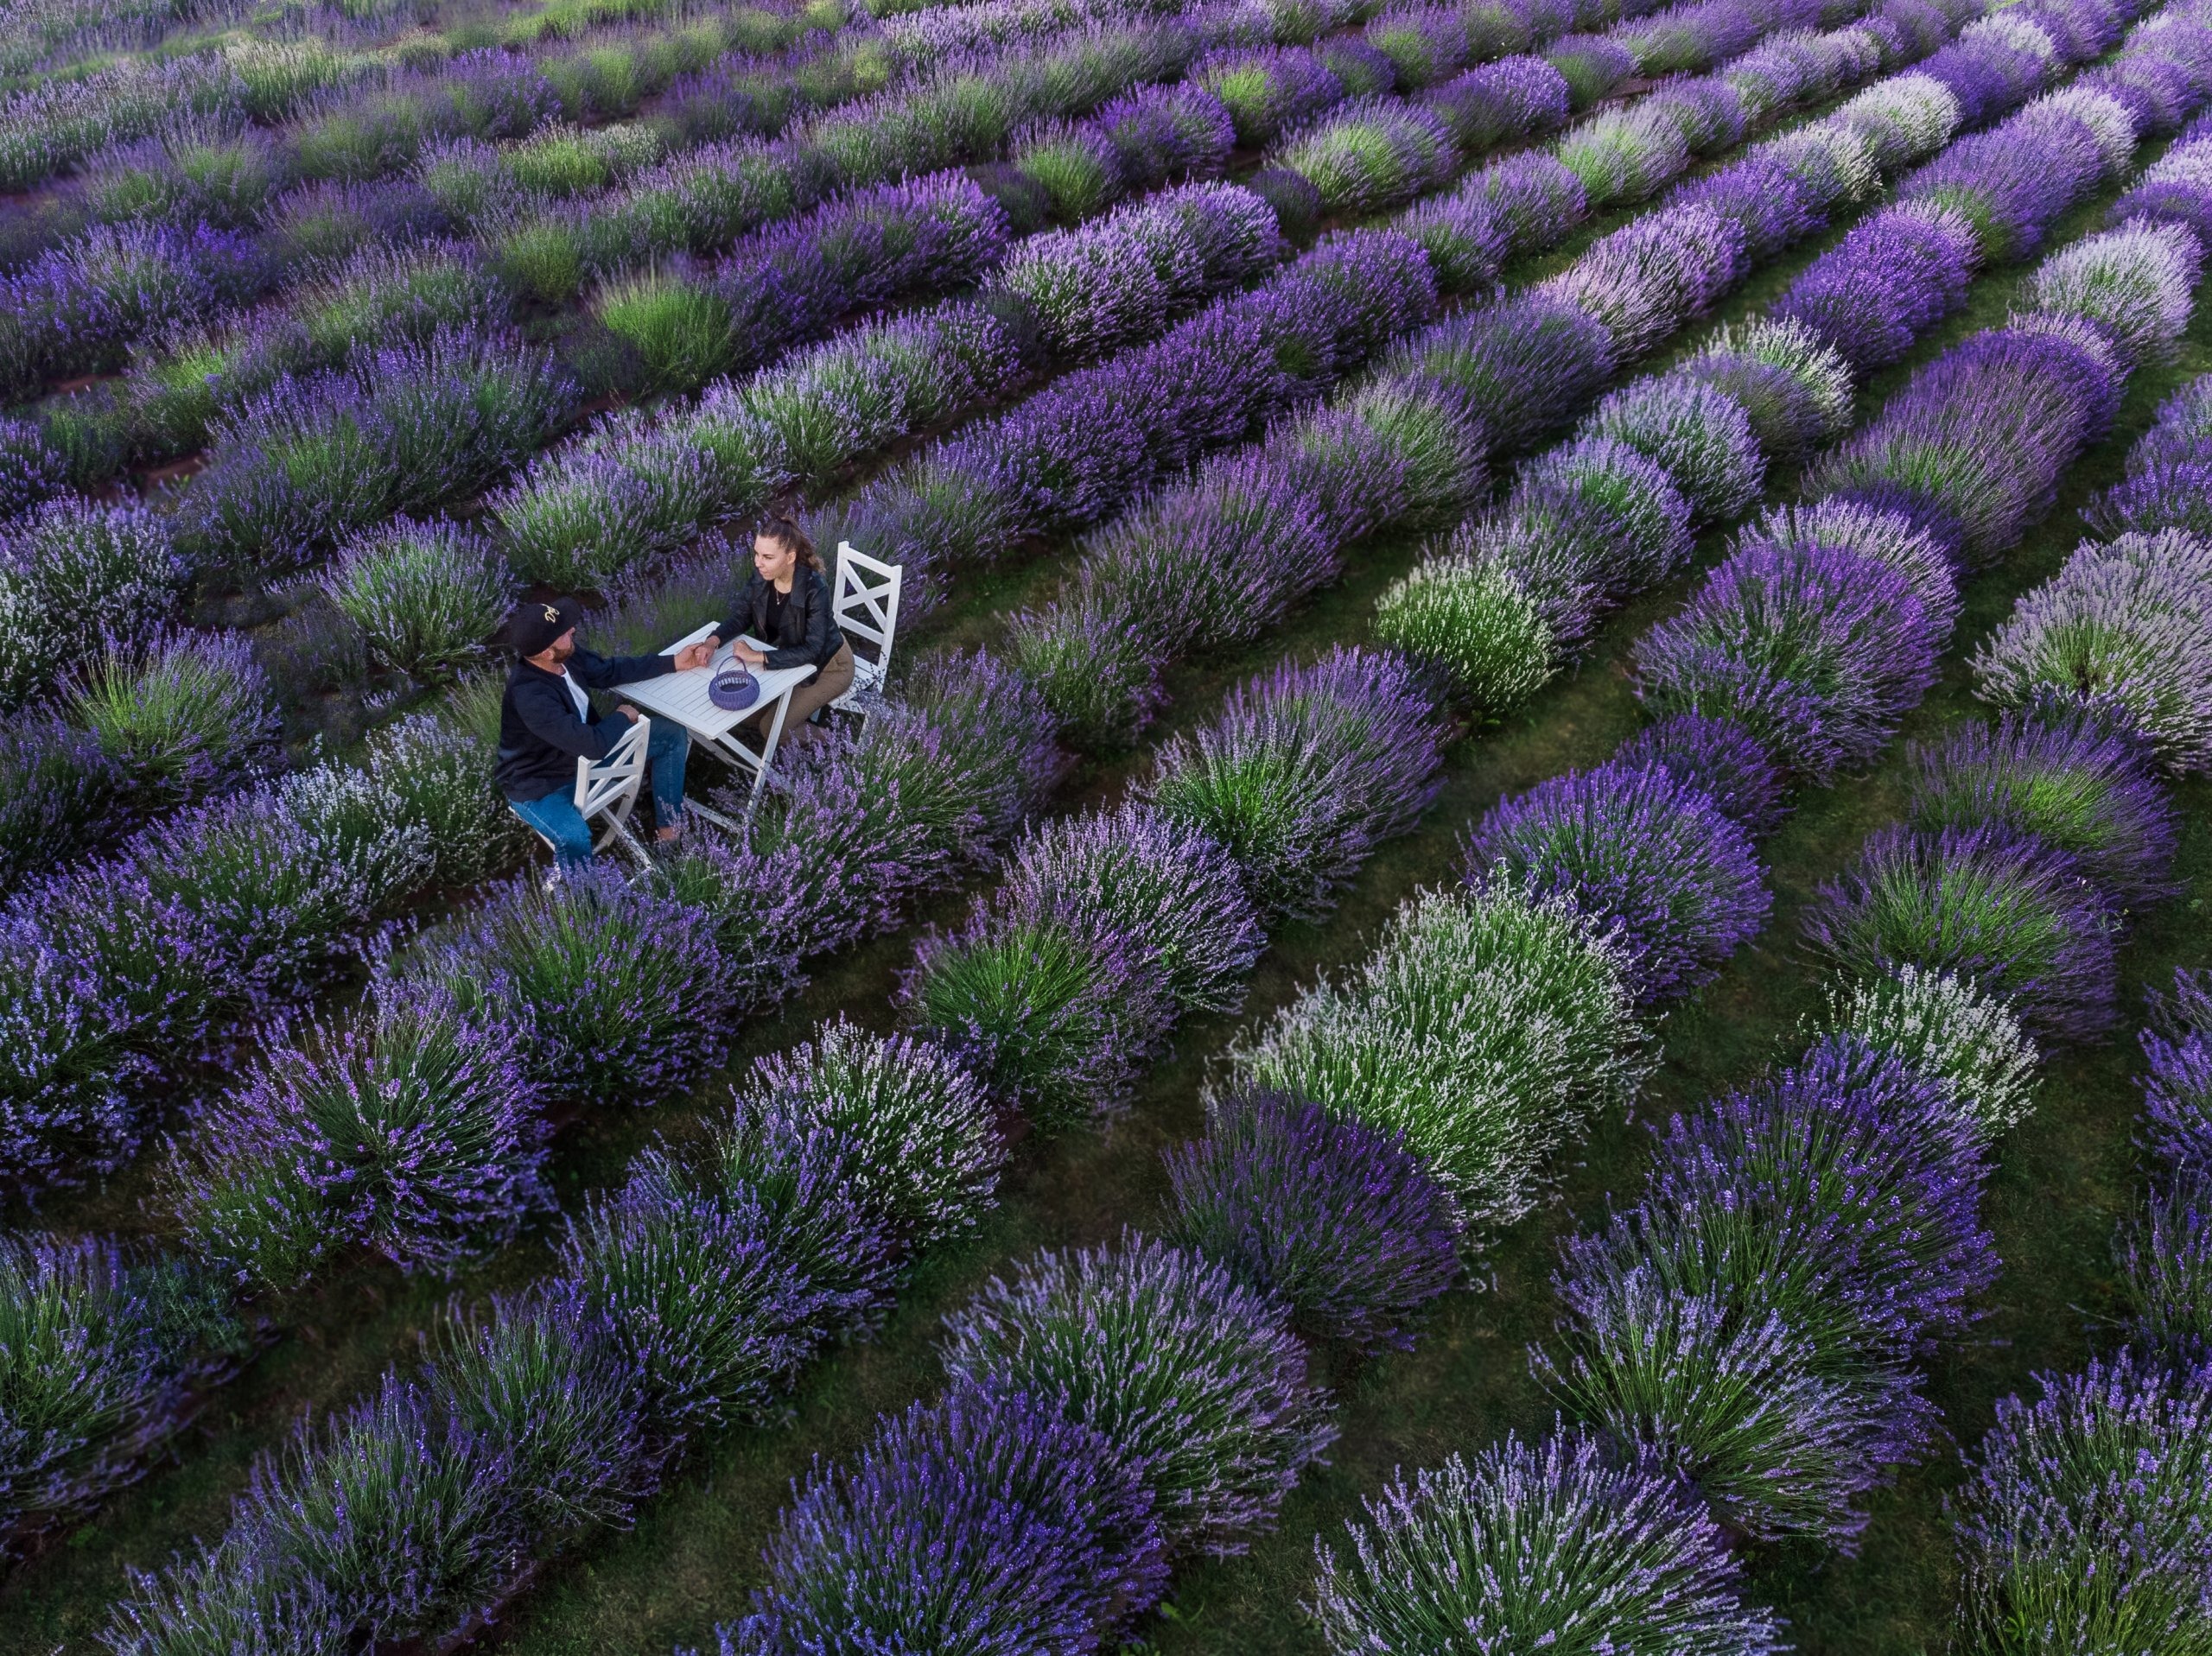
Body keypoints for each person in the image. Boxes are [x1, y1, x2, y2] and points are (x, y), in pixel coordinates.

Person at [493, 599, 714, 870]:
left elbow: (609, 671)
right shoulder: (530, 697)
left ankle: (669, 836)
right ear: (547, 652)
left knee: (670, 734)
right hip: (539, 784)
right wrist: (623, 716)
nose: (572, 630)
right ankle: (587, 907)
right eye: (564, 632)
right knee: (573, 837)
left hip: (584, 759)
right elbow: (593, 745)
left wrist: (673, 663)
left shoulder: (567, 657)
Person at [702, 516, 852, 746]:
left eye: (768, 557)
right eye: (757, 554)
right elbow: (742, 615)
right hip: (791, 656)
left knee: (772, 729)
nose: (758, 563)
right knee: (743, 711)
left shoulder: (814, 588)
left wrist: (758, 656)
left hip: (828, 666)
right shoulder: (762, 577)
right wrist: (713, 641)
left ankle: (836, 741)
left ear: (790, 557)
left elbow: (813, 650)